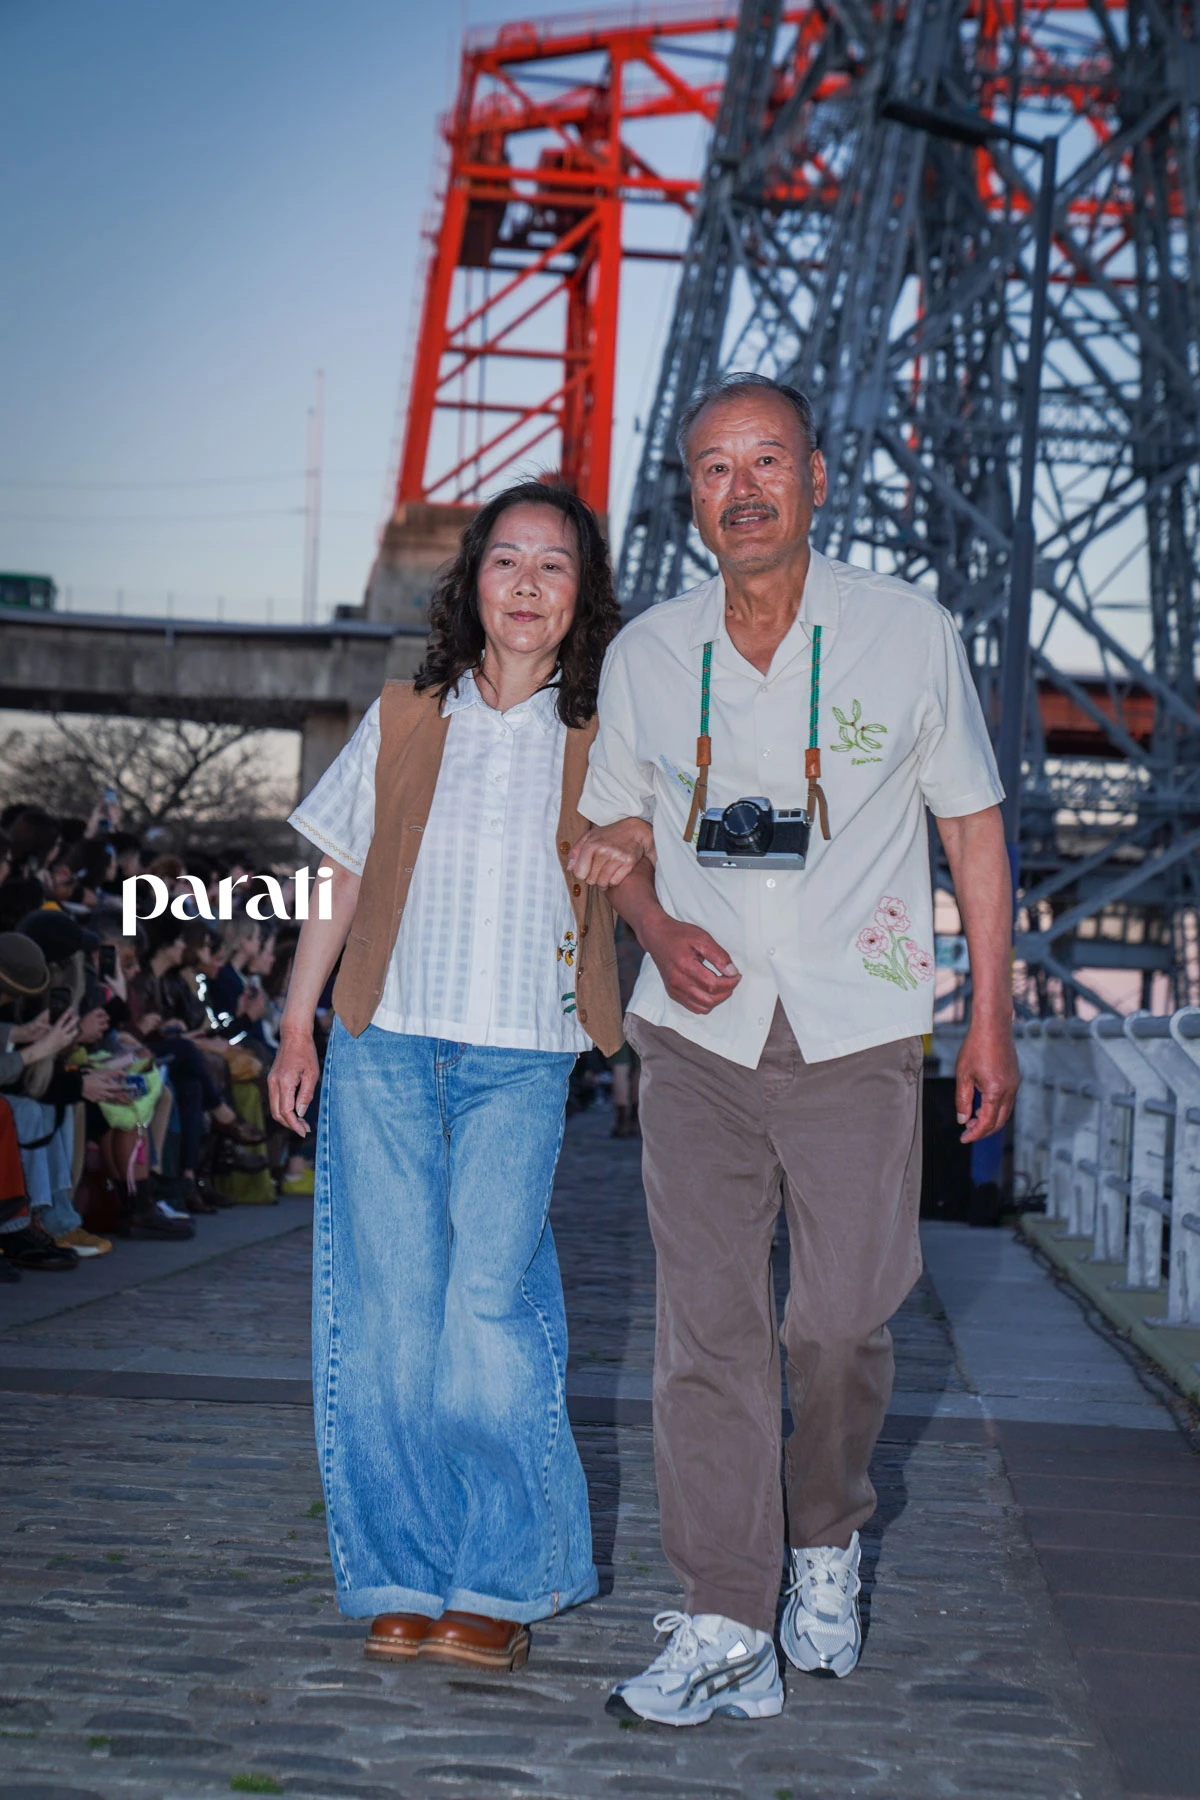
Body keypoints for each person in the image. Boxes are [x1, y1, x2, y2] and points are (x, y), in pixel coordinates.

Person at [571, 371, 1019, 1726]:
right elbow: (615, 838)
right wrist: (647, 918)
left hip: (860, 1024)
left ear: (817, 479)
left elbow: (975, 832)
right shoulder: (647, 652)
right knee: (705, 1334)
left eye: (768, 461)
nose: (743, 489)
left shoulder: (906, 632)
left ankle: (824, 1532)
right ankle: (724, 1615)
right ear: (690, 494)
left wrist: (989, 1010)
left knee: (838, 1324)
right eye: (714, 467)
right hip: (695, 1039)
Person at [270, 480, 625, 1673]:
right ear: (470, 583)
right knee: (384, 1319)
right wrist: (295, 1025)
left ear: (583, 598)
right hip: (383, 1043)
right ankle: (403, 1570)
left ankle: (506, 1576)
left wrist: (625, 845)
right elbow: (342, 875)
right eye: (506, 561)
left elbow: (657, 854)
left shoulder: (605, 727)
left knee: (484, 1310)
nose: (527, 585)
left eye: (555, 567)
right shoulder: (409, 716)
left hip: (521, 1057)